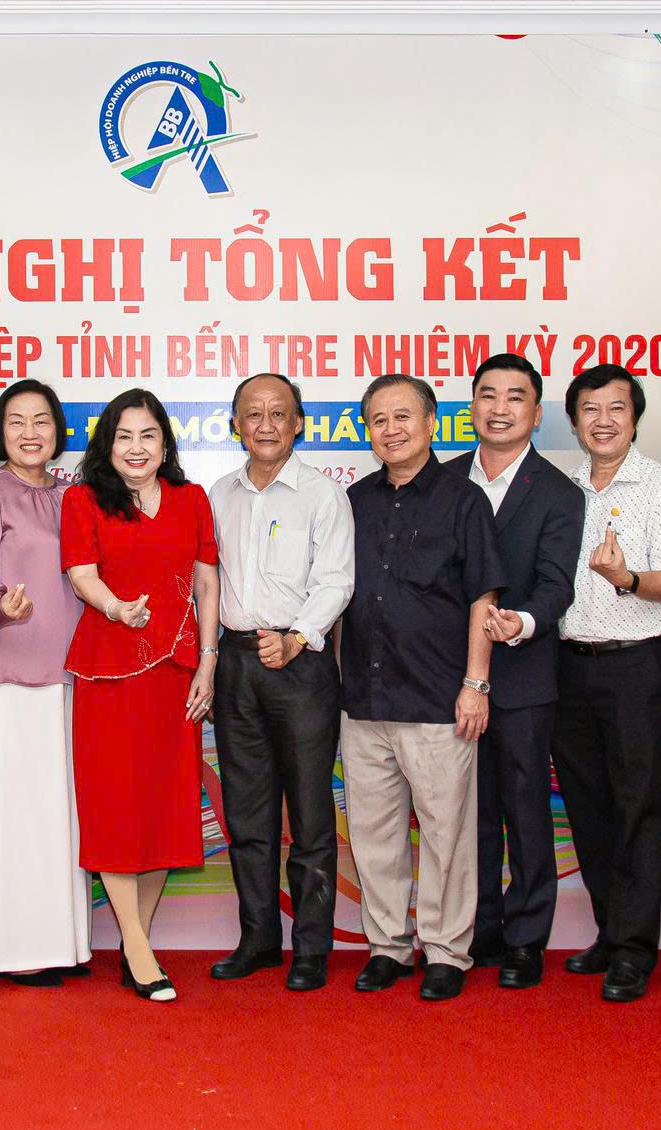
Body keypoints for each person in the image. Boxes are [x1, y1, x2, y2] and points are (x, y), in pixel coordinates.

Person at [339, 373, 502, 1003]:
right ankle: (387, 946)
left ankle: (445, 951)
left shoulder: (465, 500)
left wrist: (475, 684)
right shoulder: (354, 501)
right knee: (374, 835)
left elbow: (483, 597)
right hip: (365, 699)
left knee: (445, 836)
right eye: (379, 420)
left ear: (432, 421)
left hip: (439, 699)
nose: (392, 430)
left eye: (403, 416)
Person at [61, 388, 220, 1003]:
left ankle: (136, 942)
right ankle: (138, 947)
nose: (136, 447)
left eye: (148, 435)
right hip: (110, 673)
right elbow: (81, 574)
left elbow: (207, 583)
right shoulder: (82, 499)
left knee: (163, 811)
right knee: (114, 808)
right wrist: (117, 609)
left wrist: (208, 662)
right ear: (107, 444)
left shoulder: (191, 499)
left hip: (176, 673)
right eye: (123, 436)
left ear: (165, 443)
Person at [550, 363, 661, 1004]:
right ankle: (610, 933)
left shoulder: (660, 487)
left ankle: (635, 949)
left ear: (635, 418)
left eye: (616, 408)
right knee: (587, 805)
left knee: (638, 806)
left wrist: (627, 578)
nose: (603, 421)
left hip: (633, 664)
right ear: (574, 421)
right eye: (590, 409)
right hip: (566, 663)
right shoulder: (562, 489)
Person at [206, 373, 353, 991]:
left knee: (312, 816)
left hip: (302, 664)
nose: (265, 425)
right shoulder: (219, 494)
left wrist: (297, 637)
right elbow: (205, 582)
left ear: (298, 423)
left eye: (278, 413)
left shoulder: (323, 494)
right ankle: (259, 940)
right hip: (236, 665)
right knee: (247, 815)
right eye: (253, 414)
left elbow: (337, 580)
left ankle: (312, 948)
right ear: (235, 425)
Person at [0, 378, 94, 986]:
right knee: (19, 816)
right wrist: (0, 607)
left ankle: (66, 944)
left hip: (74, 675)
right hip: (13, 675)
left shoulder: (75, 495)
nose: (30, 432)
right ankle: (19, 950)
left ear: (58, 430)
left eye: (41, 420)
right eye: (16, 421)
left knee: (63, 815)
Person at [461, 353, 581, 989]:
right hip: (452, 680)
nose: (500, 408)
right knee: (467, 814)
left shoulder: (558, 492)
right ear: (471, 407)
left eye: (515, 397)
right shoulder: (445, 480)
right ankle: (478, 930)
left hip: (525, 675)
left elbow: (558, 584)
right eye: (488, 395)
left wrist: (523, 621)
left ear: (536, 414)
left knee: (526, 812)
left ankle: (527, 938)